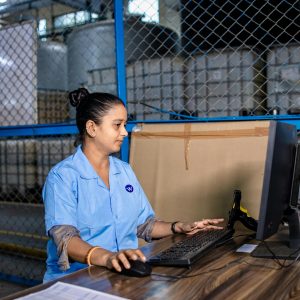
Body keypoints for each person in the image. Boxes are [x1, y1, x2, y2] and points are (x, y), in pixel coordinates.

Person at [42, 88, 224, 282]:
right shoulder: (62, 177)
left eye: (125, 125)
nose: (124, 133)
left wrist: (178, 227)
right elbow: (65, 239)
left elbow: (144, 225)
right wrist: (108, 257)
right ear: (92, 128)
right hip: (78, 278)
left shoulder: (124, 171)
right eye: (117, 125)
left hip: (123, 272)